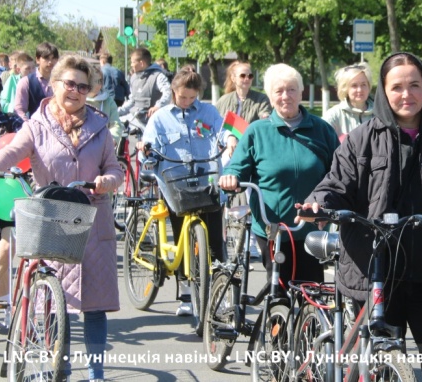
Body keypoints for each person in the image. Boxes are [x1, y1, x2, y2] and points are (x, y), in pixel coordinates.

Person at [298, 52, 422, 382]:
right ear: (384, 92)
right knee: (376, 369)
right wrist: (318, 204)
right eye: (397, 87)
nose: (406, 95)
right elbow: (335, 184)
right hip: (373, 271)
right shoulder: (361, 139)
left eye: (414, 85)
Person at [0, 55, 122, 382]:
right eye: (69, 83)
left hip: (92, 218)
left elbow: (114, 167)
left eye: (82, 86)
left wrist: (109, 181)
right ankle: (57, 365)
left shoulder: (101, 127)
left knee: (95, 305)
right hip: (50, 218)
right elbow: (12, 152)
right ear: (55, 84)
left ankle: (96, 374)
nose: (75, 91)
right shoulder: (37, 125)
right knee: (49, 301)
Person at [219, 64, 338, 291]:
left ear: (301, 92)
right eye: (279, 91)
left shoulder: (322, 130)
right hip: (273, 228)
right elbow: (237, 167)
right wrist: (231, 177)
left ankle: (307, 326)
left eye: (292, 89)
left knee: (312, 292)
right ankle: (277, 323)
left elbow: (340, 174)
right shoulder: (257, 131)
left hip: (311, 227)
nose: (286, 96)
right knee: (279, 291)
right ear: (270, 97)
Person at [139, 70, 228, 316]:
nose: (187, 101)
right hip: (175, 184)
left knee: (214, 243)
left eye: (191, 97)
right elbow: (147, 148)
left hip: (206, 181)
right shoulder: (160, 118)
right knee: (181, 238)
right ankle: (187, 294)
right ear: (174, 92)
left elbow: (223, 131)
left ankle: (219, 293)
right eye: (182, 96)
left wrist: (229, 139)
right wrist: (145, 152)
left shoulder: (209, 112)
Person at [213, 60, 272, 259]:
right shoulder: (224, 101)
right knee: (217, 181)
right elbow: (217, 127)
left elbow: (265, 121)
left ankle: (252, 240)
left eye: (250, 76)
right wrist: (228, 141)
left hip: (251, 152)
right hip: (227, 151)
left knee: (252, 190)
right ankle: (218, 229)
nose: (247, 79)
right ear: (233, 79)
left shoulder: (261, 99)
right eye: (242, 76)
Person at [0, 73, 24, 328]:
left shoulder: (11, 122)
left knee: (5, 248)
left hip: (5, 191)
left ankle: (1, 303)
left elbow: (24, 146)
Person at [118, 47, 171, 127]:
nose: (131, 65)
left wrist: (158, 106)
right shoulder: (133, 78)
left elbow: (168, 92)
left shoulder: (158, 76)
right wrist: (116, 112)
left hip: (154, 123)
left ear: (141, 63)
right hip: (135, 122)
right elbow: (132, 101)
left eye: (133, 62)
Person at [322, 63, 374, 141]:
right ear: (345, 88)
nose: (360, 90)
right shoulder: (333, 115)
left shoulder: (380, 113)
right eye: (354, 85)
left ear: (369, 86)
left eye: (363, 84)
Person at [13, 41, 59, 120]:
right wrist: (29, 126)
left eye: (53, 58)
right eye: (46, 58)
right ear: (37, 59)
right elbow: (19, 110)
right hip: (35, 128)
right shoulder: (26, 82)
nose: (50, 62)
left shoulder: (63, 81)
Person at [87, 65, 123, 146]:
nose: (98, 85)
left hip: (104, 146)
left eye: (100, 81)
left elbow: (115, 124)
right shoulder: (79, 100)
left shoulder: (108, 101)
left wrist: (113, 139)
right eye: (94, 81)